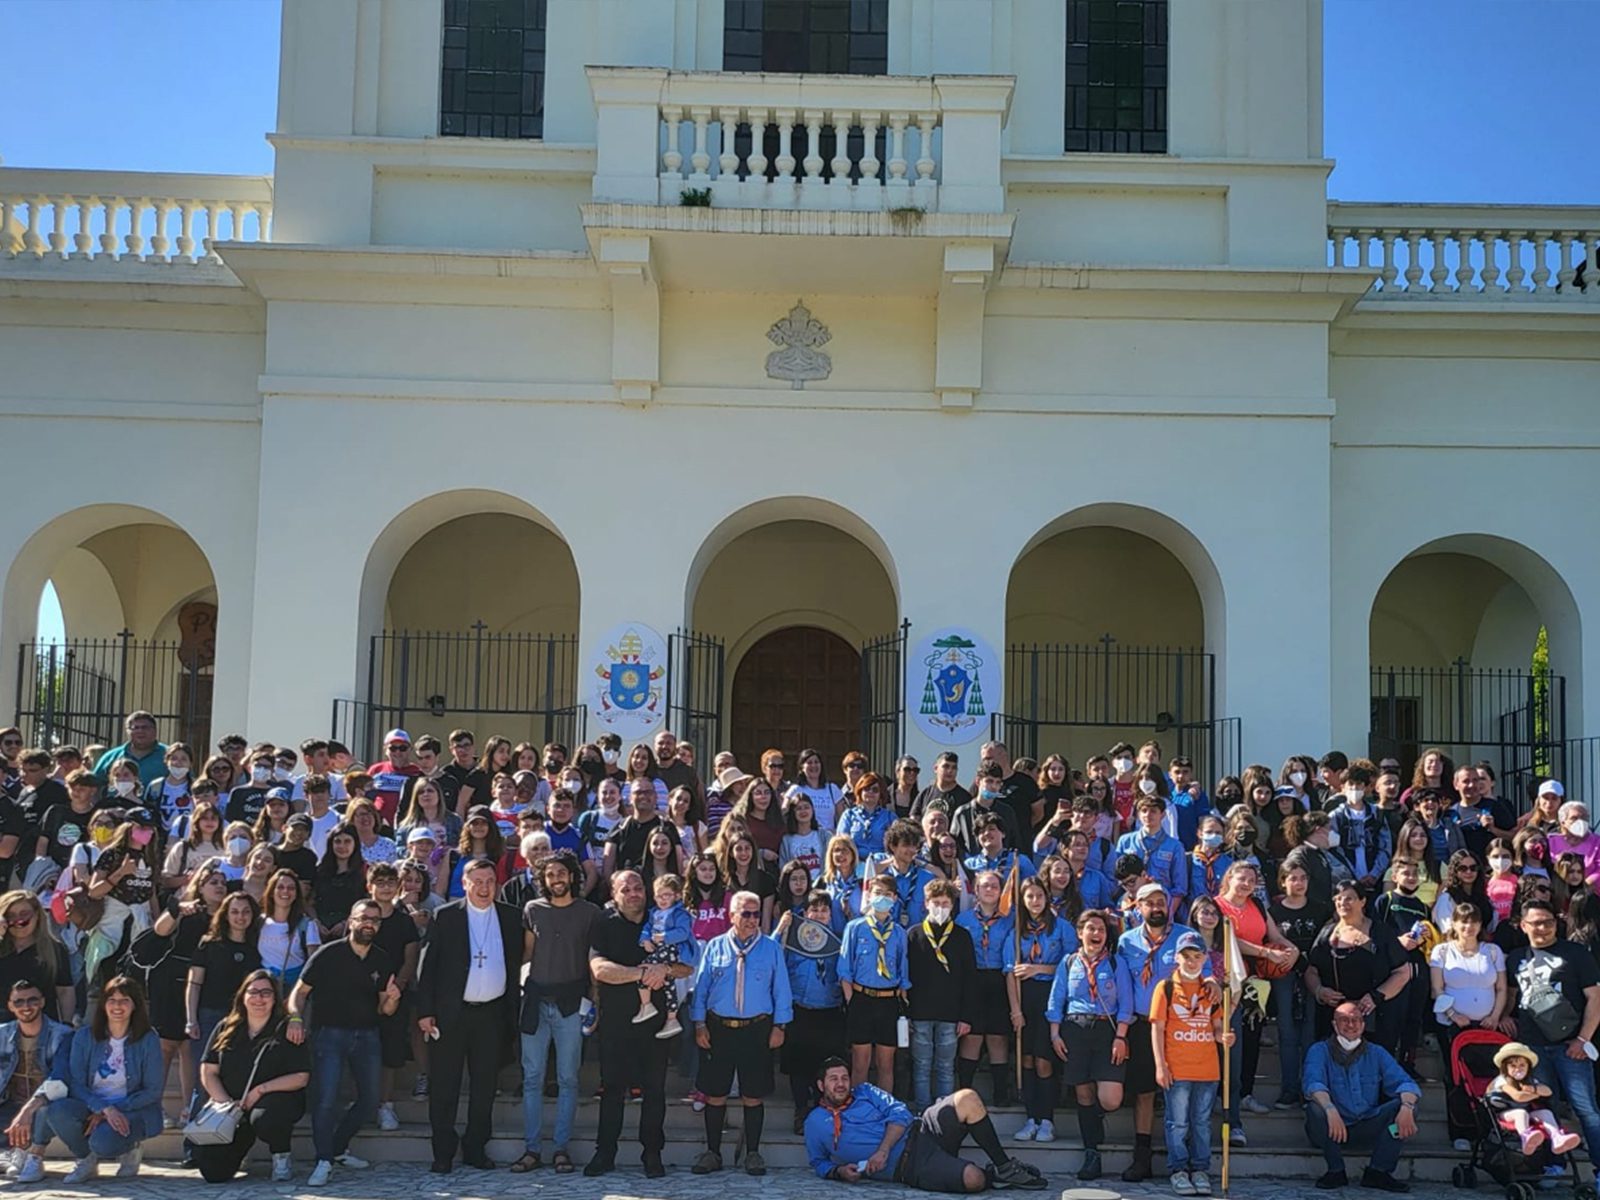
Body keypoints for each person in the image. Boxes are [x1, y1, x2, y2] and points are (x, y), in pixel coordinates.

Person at [415, 856, 526, 1173]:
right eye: (477, 882)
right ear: (464, 884)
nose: (484, 888)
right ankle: (443, 1152)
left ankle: (476, 1148)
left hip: (491, 1015)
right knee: (444, 1086)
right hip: (451, 1015)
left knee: (484, 1086)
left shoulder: (510, 916)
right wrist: (425, 1011)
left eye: (490, 881)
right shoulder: (446, 916)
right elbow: (428, 967)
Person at [287, 898, 401, 1188]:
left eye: (374, 920)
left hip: (367, 1035)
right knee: (325, 1100)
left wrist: (392, 1000)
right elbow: (299, 992)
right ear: (351, 921)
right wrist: (296, 1018)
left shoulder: (382, 959)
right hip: (329, 1034)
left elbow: (384, 1009)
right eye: (363, 918)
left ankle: (337, 1148)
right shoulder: (328, 954)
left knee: (370, 1101)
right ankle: (323, 1159)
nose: (369, 924)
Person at [586, 870, 692, 1179]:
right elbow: (599, 968)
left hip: (656, 1023)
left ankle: (652, 1154)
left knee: (654, 1090)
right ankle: (605, 1153)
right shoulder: (604, 923)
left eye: (638, 888)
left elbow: (687, 967)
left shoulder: (662, 919)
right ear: (614, 894)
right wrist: (643, 973)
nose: (633, 893)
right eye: (626, 889)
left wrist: (665, 969)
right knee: (612, 1089)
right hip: (616, 1021)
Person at [803, 1057, 1046, 1190]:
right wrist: (839, 1172)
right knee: (974, 1180)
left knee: (967, 1098)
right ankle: (992, 1176)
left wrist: (883, 1150)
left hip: (923, 1129)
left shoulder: (865, 1091)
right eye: (833, 1079)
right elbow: (819, 1162)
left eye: (844, 1078)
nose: (841, 1084)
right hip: (910, 1166)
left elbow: (900, 1113)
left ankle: (1005, 1167)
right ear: (821, 1085)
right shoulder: (814, 1123)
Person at [690, 888, 793, 1176]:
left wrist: (780, 1026)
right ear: (732, 915)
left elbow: (781, 989)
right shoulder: (715, 946)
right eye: (745, 913)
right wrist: (699, 1023)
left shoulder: (771, 949)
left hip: (756, 1028)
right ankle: (712, 1152)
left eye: (756, 914)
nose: (751, 919)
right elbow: (701, 988)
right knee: (715, 1093)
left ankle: (753, 1153)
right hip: (718, 1028)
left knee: (753, 1093)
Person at [1116, 881, 1210, 1182]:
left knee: (1187, 1097)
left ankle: (1191, 1161)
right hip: (1144, 1025)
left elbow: (1205, 974)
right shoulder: (1126, 942)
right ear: (1138, 907)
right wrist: (1123, 1029)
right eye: (1150, 903)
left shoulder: (1187, 936)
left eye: (1161, 902)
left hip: (1183, 1028)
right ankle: (1142, 1157)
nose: (1156, 907)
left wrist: (1210, 983)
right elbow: (1124, 986)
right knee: (1144, 1092)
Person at [515, 851, 598, 1174]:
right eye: (550, 874)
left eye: (561, 872)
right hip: (536, 1001)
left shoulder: (589, 912)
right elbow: (527, 954)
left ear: (572, 875)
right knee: (532, 1078)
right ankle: (532, 1149)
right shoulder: (532, 909)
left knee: (568, 1078)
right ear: (543, 879)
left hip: (571, 1004)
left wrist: (594, 1003)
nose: (556, 879)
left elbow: (594, 961)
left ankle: (561, 1148)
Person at [190, 971, 311, 1183]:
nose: (259, 998)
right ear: (242, 996)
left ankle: (281, 1155)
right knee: (213, 1172)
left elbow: (301, 1077)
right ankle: (240, 1151)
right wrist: (227, 1103)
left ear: (275, 998)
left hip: (274, 1101)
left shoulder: (287, 1029)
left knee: (265, 1119)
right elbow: (208, 1071)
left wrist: (260, 1090)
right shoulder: (226, 1027)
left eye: (266, 993)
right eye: (253, 992)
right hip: (232, 1107)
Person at [1506, 898, 1600, 1163]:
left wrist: (1583, 1039)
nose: (1543, 928)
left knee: (1586, 1109)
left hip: (1570, 1045)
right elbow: (1510, 995)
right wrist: (1502, 1016)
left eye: (1548, 922)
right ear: (1524, 925)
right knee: (1545, 1108)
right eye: (1536, 923)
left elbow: (1595, 998)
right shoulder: (1515, 958)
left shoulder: (1576, 953)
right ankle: (1553, 1165)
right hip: (1532, 1047)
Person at [46, 975, 164, 1183]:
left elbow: (152, 1090)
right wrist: (103, 1109)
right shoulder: (84, 1036)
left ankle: (130, 1147)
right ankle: (86, 1159)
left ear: (135, 1005)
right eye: (112, 1000)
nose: (117, 1006)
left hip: (132, 1108)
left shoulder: (148, 1038)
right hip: (93, 1105)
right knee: (57, 1110)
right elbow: (76, 1083)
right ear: (103, 1004)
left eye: (124, 1000)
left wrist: (114, 1109)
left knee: (103, 1143)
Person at [1047, 908, 1131, 1180]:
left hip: (1107, 1031)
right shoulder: (1069, 962)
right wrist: (1055, 1034)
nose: (1096, 934)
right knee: (1083, 1094)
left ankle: (1096, 1119)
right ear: (1080, 933)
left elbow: (1126, 1002)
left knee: (1110, 1099)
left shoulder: (1116, 963)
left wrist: (1121, 1036)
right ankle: (1091, 1152)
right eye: (1091, 929)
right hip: (1075, 1029)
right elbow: (1057, 998)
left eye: (1101, 930)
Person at [1301, 1001, 1421, 1192]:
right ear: (1334, 1025)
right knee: (1316, 1109)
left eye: (1356, 1020)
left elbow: (1404, 1082)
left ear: (1363, 1025)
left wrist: (1407, 1107)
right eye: (1344, 1020)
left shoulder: (1377, 1052)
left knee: (1408, 1106)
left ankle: (1378, 1171)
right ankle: (1335, 1170)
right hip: (1329, 1129)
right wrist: (1330, 1110)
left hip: (1366, 1124)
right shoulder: (1319, 1050)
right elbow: (1313, 1084)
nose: (1351, 1024)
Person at [1152, 931, 1233, 1197]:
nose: (1191, 961)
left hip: (1207, 1069)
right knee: (1177, 1123)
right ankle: (1178, 1169)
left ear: (1205, 958)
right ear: (1177, 957)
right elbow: (1157, 1029)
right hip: (1177, 1068)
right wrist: (1160, 1065)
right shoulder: (1165, 988)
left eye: (1197, 956)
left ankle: (1200, 1168)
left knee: (1201, 1122)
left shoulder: (1210, 990)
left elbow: (1217, 1026)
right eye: (1186, 956)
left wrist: (1224, 1037)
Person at [1007, 875, 1072, 1144]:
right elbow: (1010, 972)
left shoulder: (1061, 928)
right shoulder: (1017, 931)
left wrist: (1038, 969)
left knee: (1044, 1061)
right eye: (1030, 896)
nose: (1035, 901)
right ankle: (1031, 1118)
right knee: (1027, 1060)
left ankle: (1047, 1120)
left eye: (1040, 895)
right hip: (1025, 997)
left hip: (1051, 994)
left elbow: (1072, 965)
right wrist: (1015, 1010)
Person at [777, 889, 845, 1131]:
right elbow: (772, 957)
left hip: (829, 1011)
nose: (819, 914)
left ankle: (822, 1111)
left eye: (824, 910)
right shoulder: (792, 939)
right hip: (799, 1010)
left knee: (824, 1065)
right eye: (814, 910)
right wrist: (780, 929)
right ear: (805, 913)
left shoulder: (838, 941)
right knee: (798, 1066)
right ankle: (801, 1111)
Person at [907, 879, 974, 1112]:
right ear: (926, 904)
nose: (940, 908)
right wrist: (906, 1014)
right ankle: (922, 1113)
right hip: (920, 1013)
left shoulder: (962, 936)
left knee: (945, 1067)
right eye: (936, 903)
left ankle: (943, 1116)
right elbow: (906, 977)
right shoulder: (914, 934)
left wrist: (966, 1016)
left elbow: (969, 978)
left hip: (951, 1014)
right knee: (921, 1066)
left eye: (945, 903)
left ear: (953, 906)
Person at [0, 980, 73, 1184]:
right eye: (19, 1002)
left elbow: (59, 1079)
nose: (26, 1006)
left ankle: (29, 1155)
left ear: (42, 1002)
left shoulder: (63, 1035)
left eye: (32, 1000)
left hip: (44, 1104)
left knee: (43, 1111)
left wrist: (27, 1110)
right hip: (10, 1102)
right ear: (10, 1006)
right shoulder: (2, 1034)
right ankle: (12, 1153)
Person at [841, 875, 910, 1092]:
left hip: (888, 1001)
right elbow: (845, 969)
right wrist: (852, 1001)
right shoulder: (855, 927)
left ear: (895, 898)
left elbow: (903, 971)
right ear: (869, 896)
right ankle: (859, 1107)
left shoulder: (899, 933)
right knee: (860, 1062)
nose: (882, 898)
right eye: (878, 893)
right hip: (861, 998)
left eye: (887, 894)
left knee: (885, 1064)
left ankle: (884, 1107)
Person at [956, 870, 1015, 1107]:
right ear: (976, 891)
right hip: (973, 979)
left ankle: (1000, 1093)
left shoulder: (1010, 919)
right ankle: (964, 1092)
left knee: (998, 1037)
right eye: (984, 886)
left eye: (994, 886)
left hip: (1000, 980)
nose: (989, 890)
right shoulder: (963, 920)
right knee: (972, 1037)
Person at [1486, 1042, 1583, 1156]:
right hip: (1505, 1114)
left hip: (1527, 1111)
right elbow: (1518, 1097)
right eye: (1513, 1066)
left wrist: (1533, 1089)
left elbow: (1548, 1091)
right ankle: (1525, 1137)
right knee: (1520, 1113)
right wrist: (1536, 1095)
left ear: (1528, 1067)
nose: (1518, 1069)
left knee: (1545, 1113)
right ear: (1505, 1068)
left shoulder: (1530, 1081)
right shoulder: (1502, 1081)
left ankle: (1557, 1137)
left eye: (1522, 1065)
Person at [635, 872, 694, 1038]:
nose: (662, 899)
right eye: (658, 896)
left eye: (666, 895)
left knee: (645, 968)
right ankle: (672, 1019)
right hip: (658, 947)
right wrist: (645, 940)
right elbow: (647, 928)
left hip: (673, 949)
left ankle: (646, 1004)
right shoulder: (654, 912)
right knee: (669, 985)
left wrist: (665, 937)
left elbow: (684, 932)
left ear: (676, 896)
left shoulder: (680, 914)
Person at [92, 713, 167, 787]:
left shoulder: (169, 755)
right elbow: (94, 785)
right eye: (135, 728)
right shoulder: (111, 757)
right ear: (127, 731)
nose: (140, 731)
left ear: (155, 730)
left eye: (145, 727)